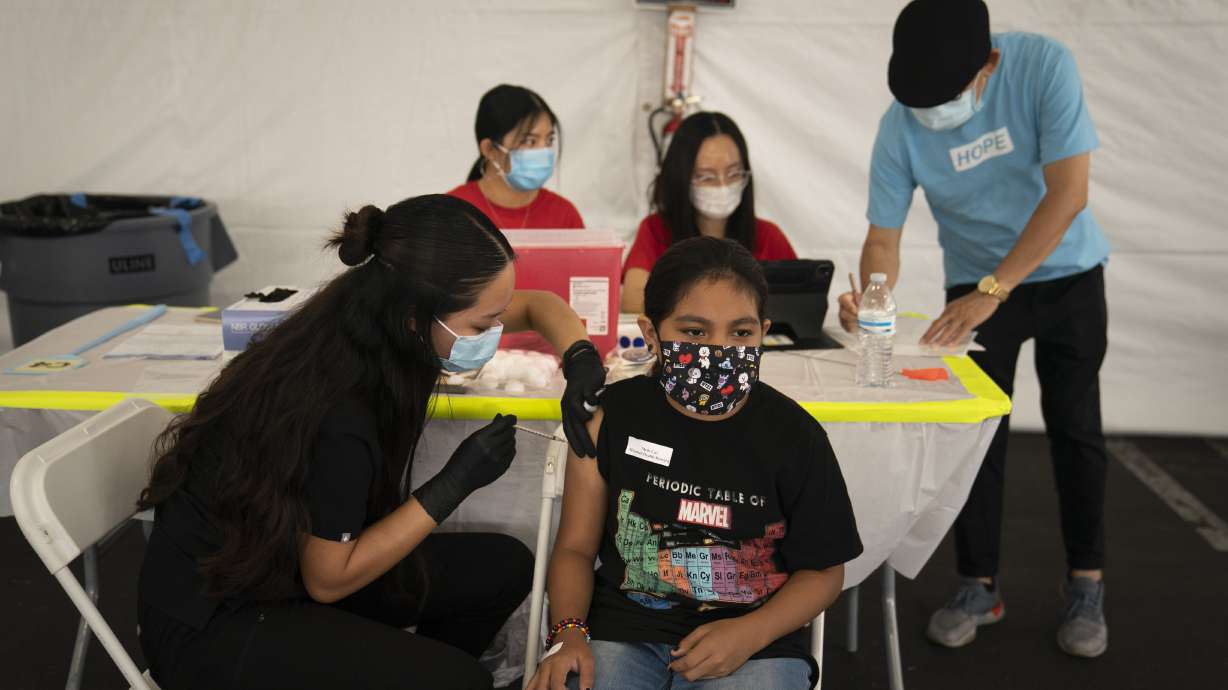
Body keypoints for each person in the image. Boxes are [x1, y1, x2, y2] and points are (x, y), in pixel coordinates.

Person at [136, 194, 606, 690]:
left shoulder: (372, 313)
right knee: (460, 680)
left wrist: (579, 359)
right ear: (416, 318)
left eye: (496, 319)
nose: (493, 333)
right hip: (217, 618)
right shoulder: (341, 403)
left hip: (280, 563)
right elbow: (328, 578)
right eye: (482, 325)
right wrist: (454, 483)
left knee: (504, 567)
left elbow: (537, 306)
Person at [837, 0, 1111, 657]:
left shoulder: (1043, 66)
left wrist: (998, 287)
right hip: (974, 288)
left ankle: (1087, 583)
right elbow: (883, 236)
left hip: (1066, 271)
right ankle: (978, 584)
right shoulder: (897, 128)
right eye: (918, 101)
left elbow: (1069, 191)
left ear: (988, 64)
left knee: (1075, 427)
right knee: (976, 432)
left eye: (946, 97)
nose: (931, 115)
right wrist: (873, 298)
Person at [528, 237, 862, 690]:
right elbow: (574, 549)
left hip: (755, 642)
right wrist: (567, 633)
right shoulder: (610, 417)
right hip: (622, 632)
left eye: (741, 333)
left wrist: (751, 632)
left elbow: (823, 570)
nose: (719, 350)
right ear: (651, 334)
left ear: (764, 331)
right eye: (694, 333)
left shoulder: (795, 437)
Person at [621, 112, 797, 313]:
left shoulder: (767, 236)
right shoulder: (657, 230)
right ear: (681, 178)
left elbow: (803, 302)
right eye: (706, 177)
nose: (723, 185)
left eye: (733, 173)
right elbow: (632, 301)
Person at [449, 84, 584, 229]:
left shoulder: (564, 216)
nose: (543, 151)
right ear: (489, 149)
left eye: (549, 140)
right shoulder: (452, 212)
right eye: (529, 141)